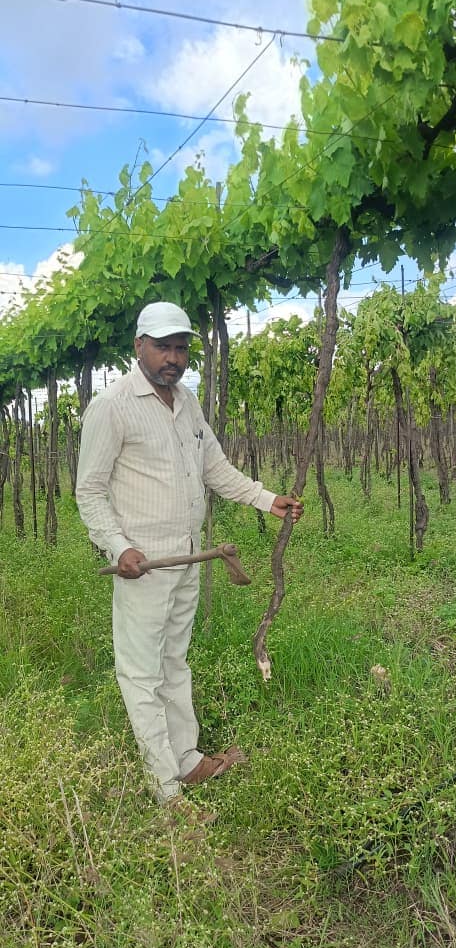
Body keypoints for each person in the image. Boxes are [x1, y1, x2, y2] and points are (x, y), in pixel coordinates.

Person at [76, 301, 303, 818]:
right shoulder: (113, 406)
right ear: (138, 347)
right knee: (140, 672)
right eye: (162, 347)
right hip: (145, 567)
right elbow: (88, 492)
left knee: (174, 662)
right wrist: (118, 546)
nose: (173, 358)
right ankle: (166, 788)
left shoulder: (188, 401)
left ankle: (187, 758)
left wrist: (268, 500)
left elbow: (215, 468)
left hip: (189, 558)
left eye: (180, 348)